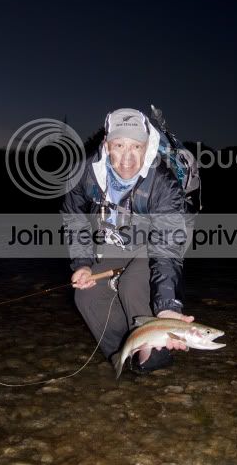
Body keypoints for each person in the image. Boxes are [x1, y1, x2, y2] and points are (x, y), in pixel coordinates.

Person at [61, 107, 195, 375]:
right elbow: (74, 217)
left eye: (136, 146)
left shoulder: (164, 183)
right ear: (106, 144)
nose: (127, 158)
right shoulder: (85, 173)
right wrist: (83, 263)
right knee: (86, 295)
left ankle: (154, 360)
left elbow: (166, 247)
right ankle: (121, 354)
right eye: (119, 145)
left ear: (148, 147)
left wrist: (167, 308)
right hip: (119, 236)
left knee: (132, 286)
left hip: (164, 239)